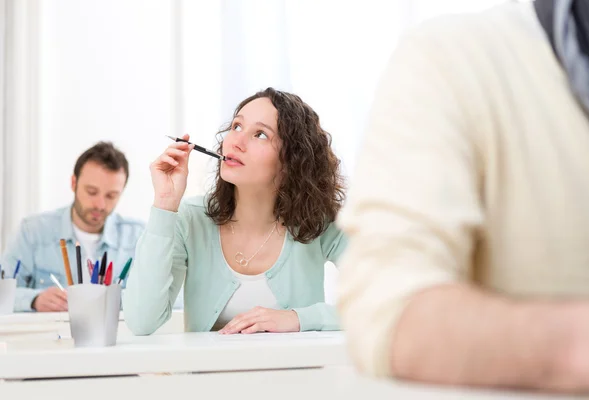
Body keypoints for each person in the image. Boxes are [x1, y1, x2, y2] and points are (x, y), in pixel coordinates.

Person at [337, 0, 589, 394]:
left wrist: (295, 316)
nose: (231, 138)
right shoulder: (451, 60)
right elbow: (384, 306)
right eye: (237, 125)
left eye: (259, 133)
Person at [124, 87, 347, 335]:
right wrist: (164, 204)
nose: (236, 142)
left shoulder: (319, 223)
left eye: (260, 134)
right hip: (208, 374)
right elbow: (141, 321)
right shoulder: (190, 218)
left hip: (296, 375)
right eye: (237, 126)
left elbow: (385, 304)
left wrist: (299, 319)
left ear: (293, 160)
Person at [1, 142, 144, 312]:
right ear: (73, 183)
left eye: (111, 196)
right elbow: (3, 294)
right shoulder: (33, 231)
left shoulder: (138, 236)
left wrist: (117, 300)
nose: (100, 204)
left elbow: (170, 298)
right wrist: (34, 300)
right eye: (91, 192)